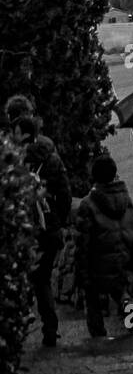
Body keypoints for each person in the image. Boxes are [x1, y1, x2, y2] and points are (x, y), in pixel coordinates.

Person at [11, 114, 72, 347]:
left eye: (15, 131)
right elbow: (65, 194)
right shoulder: (53, 158)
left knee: (20, 279)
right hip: (49, 230)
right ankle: (50, 329)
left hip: (24, 231)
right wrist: (58, 221)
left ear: (23, 134)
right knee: (43, 280)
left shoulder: (14, 160)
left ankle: (17, 328)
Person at [74, 153, 133, 338]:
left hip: (98, 264)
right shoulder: (127, 201)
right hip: (122, 260)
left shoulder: (88, 204)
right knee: (124, 294)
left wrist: (81, 272)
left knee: (92, 300)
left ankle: (99, 339)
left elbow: (82, 242)